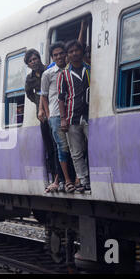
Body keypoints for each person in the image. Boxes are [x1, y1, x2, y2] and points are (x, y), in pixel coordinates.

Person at [41, 41, 76, 193]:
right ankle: (64, 180)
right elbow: (44, 96)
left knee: (75, 147)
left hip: (72, 112)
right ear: (52, 57)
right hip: (55, 115)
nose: (59, 56)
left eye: (61, 53)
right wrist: (48, 115)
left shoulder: (71, 69)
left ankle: (73, 179)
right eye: (56, 55)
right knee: (62, 148)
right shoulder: (48, 74)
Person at [24, 49, 60, 192]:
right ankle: (54, 176)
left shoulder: (49, 70)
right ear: (28, 64)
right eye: (31, 60)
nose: (34, 62)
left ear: (39, 59)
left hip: (54, 111)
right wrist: (38, 102)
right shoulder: (30, 79)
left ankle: (60, 177)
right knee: (49, 147)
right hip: (43, 116)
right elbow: (28, 93)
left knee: (58, 145)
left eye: (35, 58)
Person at [58, 40, 91, 193]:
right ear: (68, 56)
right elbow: (61, 98)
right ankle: (84, 181)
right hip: (72, 118)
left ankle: (93, 178)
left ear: (81, 52)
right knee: (76, 152)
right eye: (70, 52)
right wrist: (63, 119)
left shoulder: (90, 69)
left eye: (76, 50)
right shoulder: (63, 75)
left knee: (93, 148)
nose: (74, 53)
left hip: (90, 115)